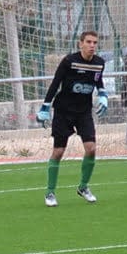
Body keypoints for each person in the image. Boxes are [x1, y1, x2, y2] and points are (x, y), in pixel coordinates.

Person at [35, 30, 108, 207]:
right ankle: (50, 192)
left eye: (95, 43)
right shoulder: (69, 61)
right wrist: (45, 106)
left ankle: (83, 187)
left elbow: (98, 82)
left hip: (83, 112)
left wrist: (104, 95)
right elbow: (55, 83)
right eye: (89, 42)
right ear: (80, 43)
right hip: (63, 111)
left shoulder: (99, 63)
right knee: (58, 152)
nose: (92, 46)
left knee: (91, 149)